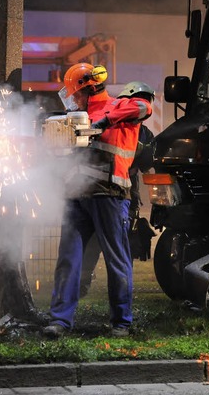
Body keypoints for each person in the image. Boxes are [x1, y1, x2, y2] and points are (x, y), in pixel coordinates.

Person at [43, 63, 152, 339]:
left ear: (90, 88)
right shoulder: (75, 115)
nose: (73, 99)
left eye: (76, 94)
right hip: (76, 195)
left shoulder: (120, 106)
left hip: (110, 194)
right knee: (68, 259)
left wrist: (105, 121)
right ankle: (60, 320)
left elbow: (144, 107)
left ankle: (121, 322)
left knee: (117, 259)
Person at [79, 82, 156, 297]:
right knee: (113, 243)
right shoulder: (117, 121)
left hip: (119, 191)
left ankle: (108, 289)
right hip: (112, 191)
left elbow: (146, 162)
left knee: (115, 244)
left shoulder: (141, 129)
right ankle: (88, 283)